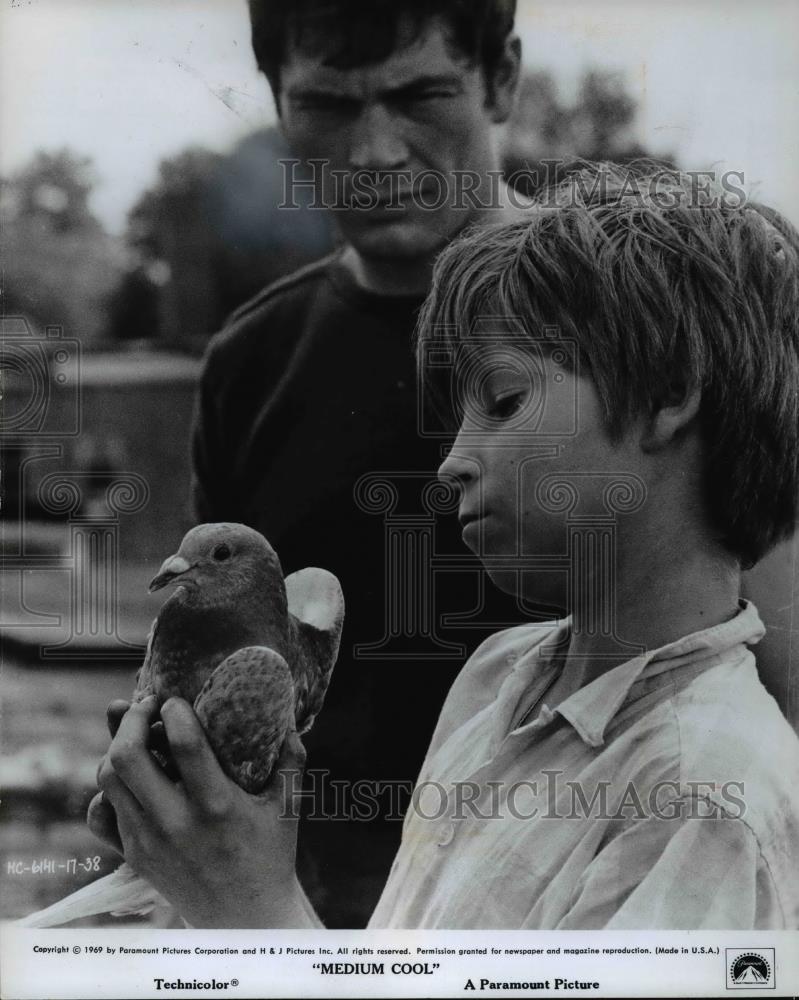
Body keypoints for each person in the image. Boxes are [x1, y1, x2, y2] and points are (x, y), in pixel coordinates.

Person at [93, 163, 799, 928]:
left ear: (667, 393)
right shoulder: (496, 676)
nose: (450, 461)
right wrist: (191, 856)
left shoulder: (701, 801)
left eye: (503, 400)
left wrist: (246, 904)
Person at [188, 0, 531, 922]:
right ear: (276, 99)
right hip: (303, 918)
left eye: (421, 96)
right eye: (328, 105)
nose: (374, 153)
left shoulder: (649, 325)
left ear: (501, 79)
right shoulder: (247, 362)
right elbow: (216, 661)